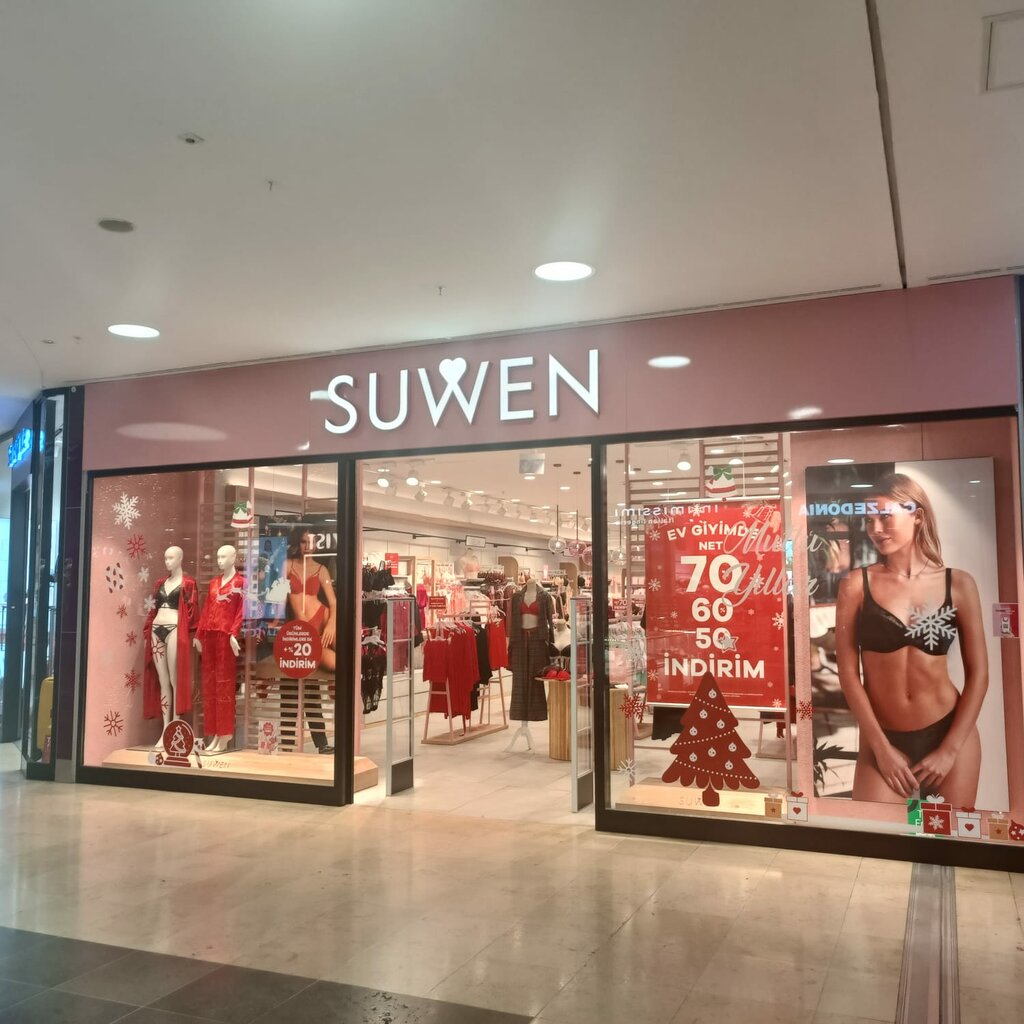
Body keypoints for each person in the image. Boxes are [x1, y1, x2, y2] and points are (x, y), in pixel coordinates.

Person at [835, 473, 987, 806]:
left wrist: (949, 750)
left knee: (948, 834)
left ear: (917, 516)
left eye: (884, 516)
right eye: (869, 520)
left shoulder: (958, 584)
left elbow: (979, 675)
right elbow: (848, 674)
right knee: (877, 837)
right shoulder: (856, 585)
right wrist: (880, 747)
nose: (875, 528)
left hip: (948, 733)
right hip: (884, 738)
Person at [281, 526, 336, 753]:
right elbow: (277, 595)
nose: (308, 546)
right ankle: (286, 742)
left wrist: (331, 624)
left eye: (312, 542)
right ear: (298, 543)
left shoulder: (321, 570)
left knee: (312, 689)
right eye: (304, 542)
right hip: (294, 631)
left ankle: (321, 742)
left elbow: (333, 602)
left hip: (317, 622)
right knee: (289, 689)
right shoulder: (288, 566)